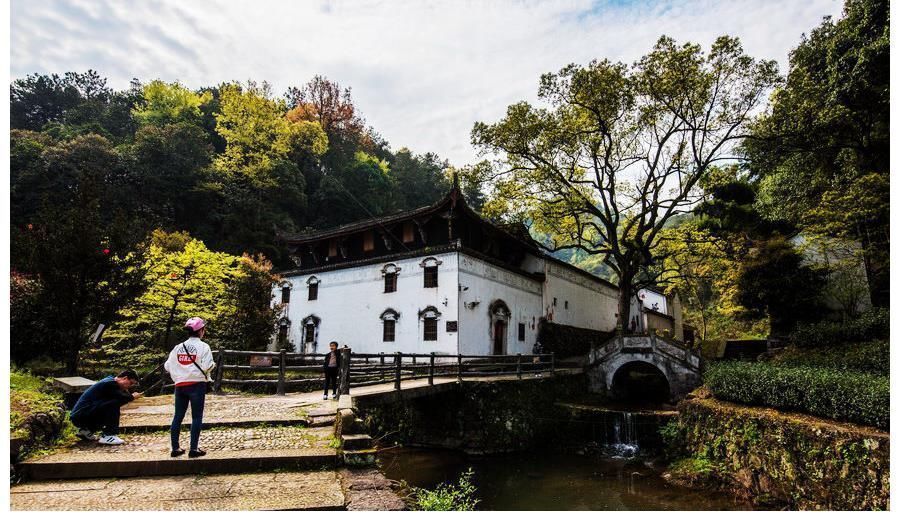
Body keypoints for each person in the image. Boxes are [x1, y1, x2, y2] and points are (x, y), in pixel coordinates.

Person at [165, 317, 215, 458]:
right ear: (201, 331)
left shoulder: (178, 347)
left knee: (178, 417)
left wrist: (180, 373)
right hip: (197, 385)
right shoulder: (204, 347)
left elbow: (167, 366)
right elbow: (207, 366)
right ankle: (193, 448)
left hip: (180, 385)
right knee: (196, 417)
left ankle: (175, 448)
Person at [70, 370, 142, 445]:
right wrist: (132, 396)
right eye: (130, 383)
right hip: (81, 416)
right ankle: (109, 435)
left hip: (79, 416)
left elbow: (119, 399)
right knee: (113, 404)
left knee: (110, 405)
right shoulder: (110, 384)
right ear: (125, 378)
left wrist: (128, 395)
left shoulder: (109, 381)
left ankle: (86, 431)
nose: (130, 386)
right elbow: (120, 398)